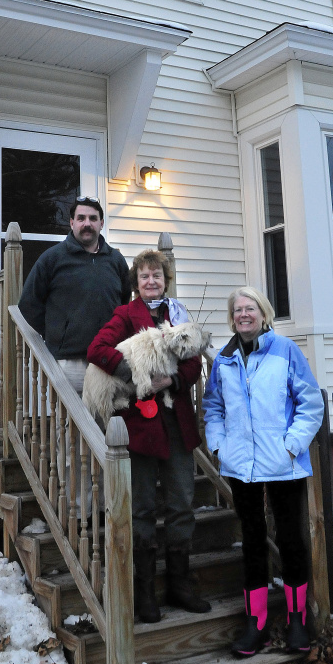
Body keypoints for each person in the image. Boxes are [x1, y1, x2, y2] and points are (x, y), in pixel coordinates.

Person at [87, 249, 211, 622]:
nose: (151, 281)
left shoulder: (180, 315)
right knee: (140, 507)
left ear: (165, 279)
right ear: (136, 283)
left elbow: (193, 362)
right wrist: (135, 377)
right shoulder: (126, 315)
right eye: (144, 276)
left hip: (177, 424)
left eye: (157, 275)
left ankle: (179, 584)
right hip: (140, 426)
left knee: (181, 502)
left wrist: (172, 380)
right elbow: (97, 350)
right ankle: (144, 591)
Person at [202, 286, 324, 657]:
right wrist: (219, 444)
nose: (243, 314)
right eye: (237, 310)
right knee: (253, 541)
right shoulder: (223, 360)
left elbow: (310, 402)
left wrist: (293, 444)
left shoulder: (285, 351)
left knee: (290, 539)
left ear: (263, 312)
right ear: (232, 317)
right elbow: (213, 407)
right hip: (242, 466)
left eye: (250, 308)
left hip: (283, 464)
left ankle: (297, 620)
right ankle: (256, 625)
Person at [18, 196, 131, 394]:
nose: (87, 223)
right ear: (71, 223)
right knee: (67, 422)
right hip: (69, 363)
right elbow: (28, 303)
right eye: (81, 218)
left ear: (101, 223)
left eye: (93, 218)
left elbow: (124, 301)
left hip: (108, 359)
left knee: (106, 420)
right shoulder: (52, 258)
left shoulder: (116, 260)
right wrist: (56, 332)